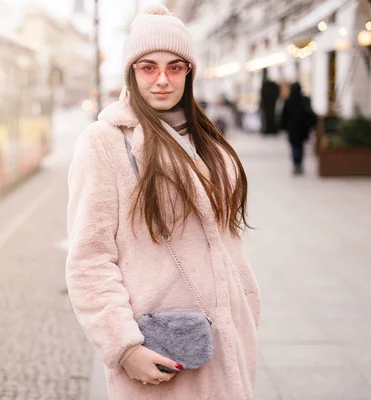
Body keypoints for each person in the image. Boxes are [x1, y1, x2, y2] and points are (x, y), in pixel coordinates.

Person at [66, 5, 261, 400]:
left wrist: (247, 308)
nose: (161, 80)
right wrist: (124, 346)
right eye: (148, 67)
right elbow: (89, 258)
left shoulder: (207, 140)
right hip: (159, 350)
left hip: (227, 342)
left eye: (175, 67)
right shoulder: (104, 143)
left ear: (189, 72)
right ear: (130, 73)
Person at [281, 82, 317, 175]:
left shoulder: (289, 101)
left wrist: (284, 127)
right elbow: (310, 114)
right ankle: (299, 163)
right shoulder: (304, 100)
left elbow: (284, 116)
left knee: (294, 147)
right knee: (300, 147)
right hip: (302, 129)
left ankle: (296, 164)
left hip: (293, 129)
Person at [260, 67, 280, 134]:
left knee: (270, 118)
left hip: (269, 105)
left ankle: (270, 130)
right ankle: (269, 130)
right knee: (269, 118)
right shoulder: (269, 86)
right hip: (269, 105)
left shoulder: (267, 86)